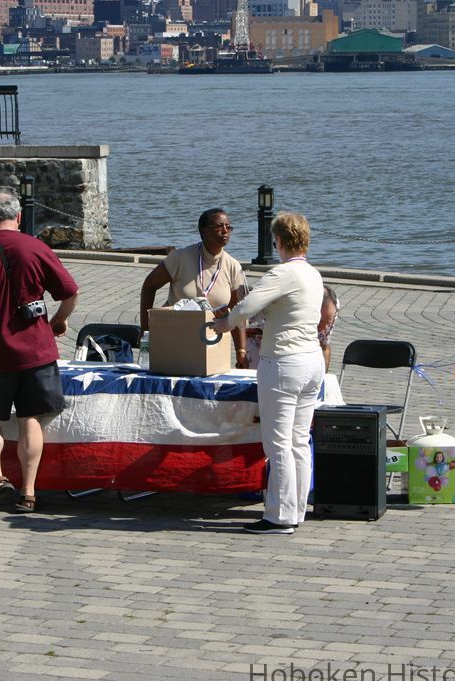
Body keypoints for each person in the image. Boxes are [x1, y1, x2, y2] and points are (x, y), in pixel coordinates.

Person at [0, 189, 79, 514]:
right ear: (18, 217)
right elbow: (70, 292)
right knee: (31, 417)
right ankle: (29, 492)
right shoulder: (37, 247)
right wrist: (59, 321)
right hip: (36, 351)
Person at [213, 211, 324, 535]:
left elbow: (245, 308)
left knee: (278, 444)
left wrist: (223, 324)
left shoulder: (282, 273)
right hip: (311, 361)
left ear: (278, 241)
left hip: (284, 364)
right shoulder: (313, 274)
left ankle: (279, 516)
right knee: (299, 440)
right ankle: (296, 509)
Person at [139, 207, 249, 368]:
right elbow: (149, 286)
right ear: (203, 232)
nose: (225, 231)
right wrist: (145, 331)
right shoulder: (180, 258)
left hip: (213, 342)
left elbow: (237, 312)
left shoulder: (233, 266)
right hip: (176, 339)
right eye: (219, 227)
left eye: (228, 227)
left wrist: (241, 351)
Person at [318, 285, 340, 369]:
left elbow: (324, 346)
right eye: (321, 322)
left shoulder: (334, 305)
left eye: (329, 321)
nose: (324, 327)